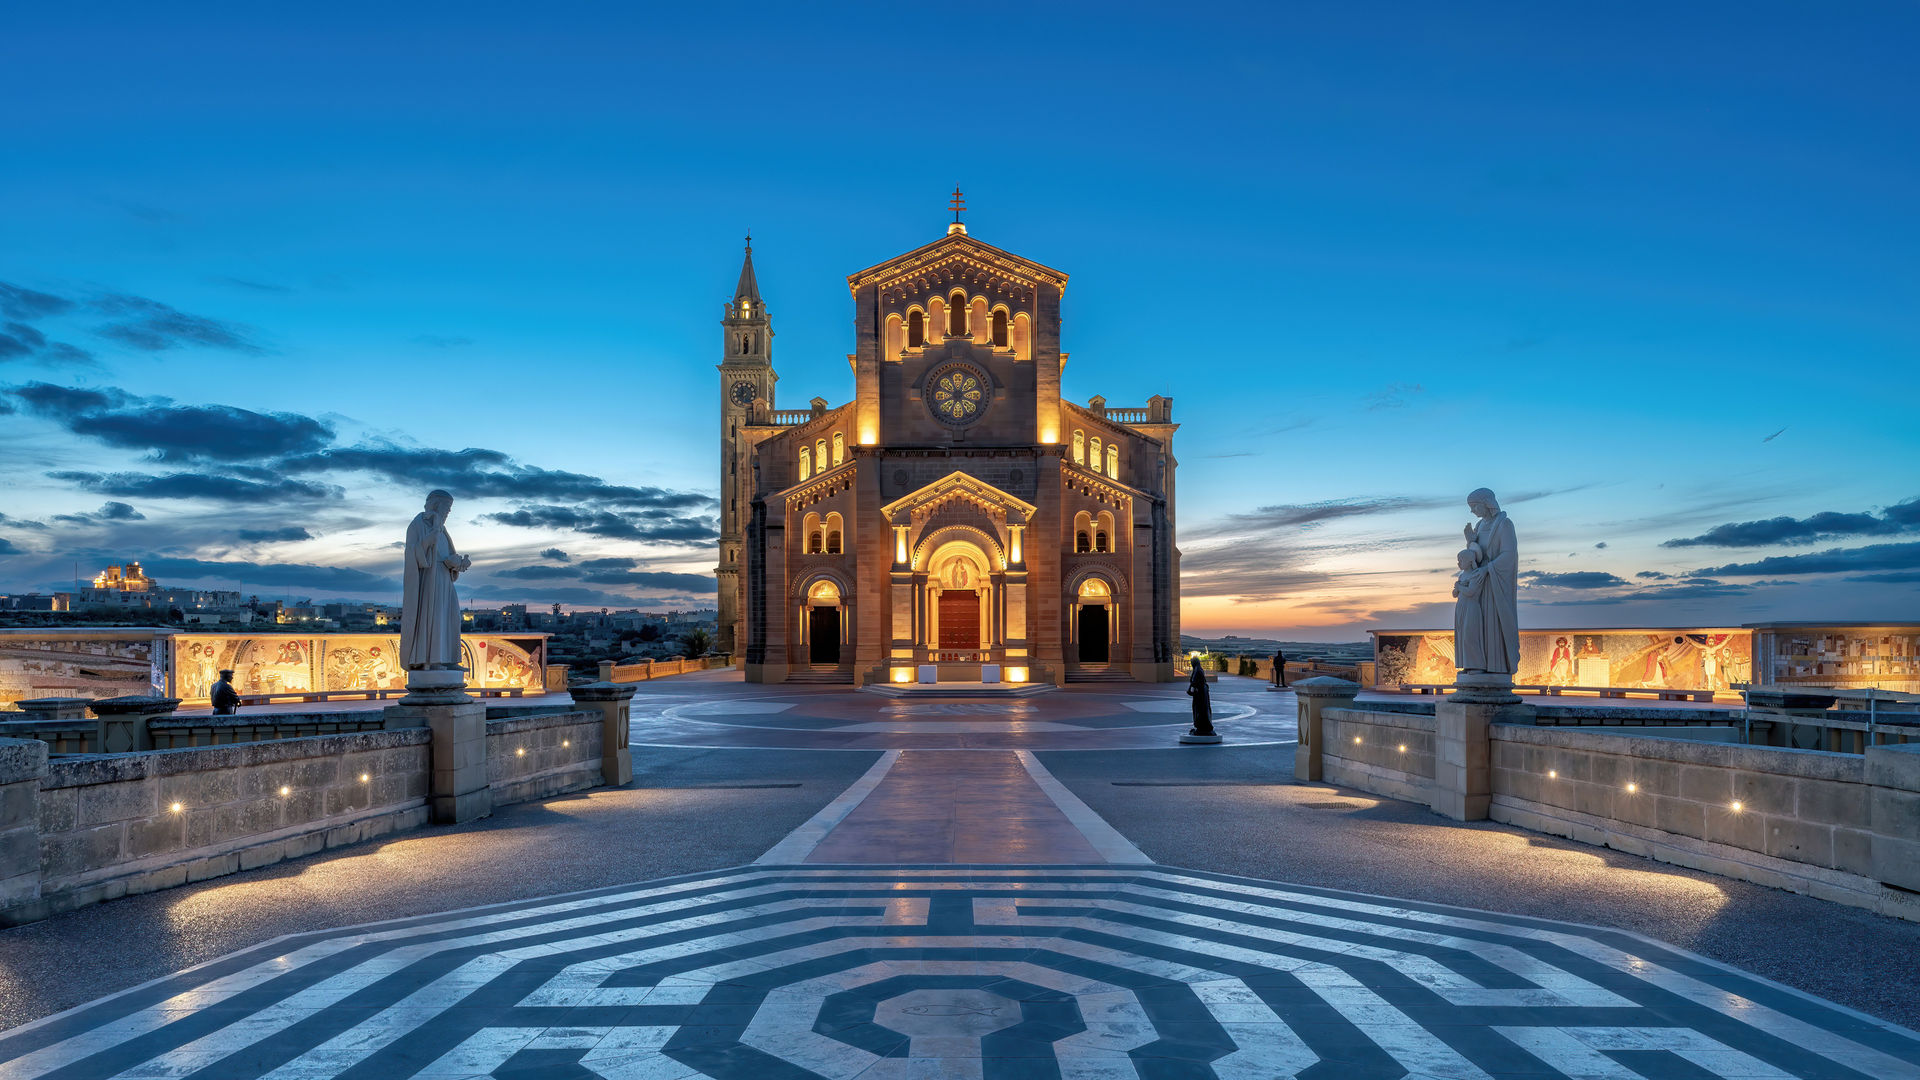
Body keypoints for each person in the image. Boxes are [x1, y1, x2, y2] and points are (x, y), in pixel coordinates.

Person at [401, 489, 472, 671]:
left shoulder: (442, 529)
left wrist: (459, 563)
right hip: (428, 582)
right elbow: (411, 554)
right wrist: (427, 541)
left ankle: (449, 659)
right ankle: (432, 661)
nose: (448, 513)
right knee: (434, 619)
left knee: (450, 618)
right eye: (446, 508)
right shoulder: (418, 524)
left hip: (444, 579)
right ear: (436, 505)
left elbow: (448, 555)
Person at [1451, 548, 1489, 673]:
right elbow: (1455, 594)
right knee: (1462, 637)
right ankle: (1467, 665)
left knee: (1470, 636)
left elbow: (1471, 592)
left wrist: (1460, 586)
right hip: (1461, 607)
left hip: (1471, 607)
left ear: (1469, 561)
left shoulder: (1476, 574)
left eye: (1461, 560)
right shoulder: (1462, 576)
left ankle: (1477, 666)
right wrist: (1457, 588)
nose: (1459, 563)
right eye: (1458, 560)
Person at [1186, 662, 1216, 737]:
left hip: (1200, 696)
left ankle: (1202, 727)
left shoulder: (1197, 671)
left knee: (1200, 711)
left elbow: (1193, 682)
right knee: (1203, 710)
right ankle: (1203, 726)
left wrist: (1190, 690)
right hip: (1201, 694)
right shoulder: (1199, 670)